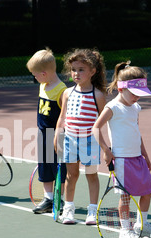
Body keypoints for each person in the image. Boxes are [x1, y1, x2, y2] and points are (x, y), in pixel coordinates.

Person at [93, 61, 151, 238]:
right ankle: (125, 231)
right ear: (120, 88)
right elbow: (95, 128)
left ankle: (142, 225)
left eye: (140, 94)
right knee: (125, 197)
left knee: (148, 191)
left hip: (137, 159)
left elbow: (136, 132)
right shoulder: (113, 107)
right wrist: (106, 150)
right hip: (122, 160)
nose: (137, 98)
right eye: (134, 93)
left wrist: (145, 155)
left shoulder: (136, 107)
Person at [54, 48, 107, 225]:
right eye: (73, 69)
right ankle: (68, 210)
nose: (76, 73)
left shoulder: (98, 95)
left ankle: (93, 211)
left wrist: (104, 145)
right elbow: (62, 117)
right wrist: (57, 137)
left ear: (93, 71)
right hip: (69, 140)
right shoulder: (67, 93)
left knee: (91, 175)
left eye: (81, 69)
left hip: (89, 142)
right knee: (71, 175)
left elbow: (101, 121)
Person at [26, 48, 67, 213]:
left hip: (58, 136)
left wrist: (59, 135)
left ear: (43, 74)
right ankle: (48, 198)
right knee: (44, 166)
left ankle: (60, 199)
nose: (34, 78)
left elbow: (64, 116)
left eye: (35, 75)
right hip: (42, 134)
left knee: (59, 167)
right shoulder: (43, 85)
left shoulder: (62, 90)